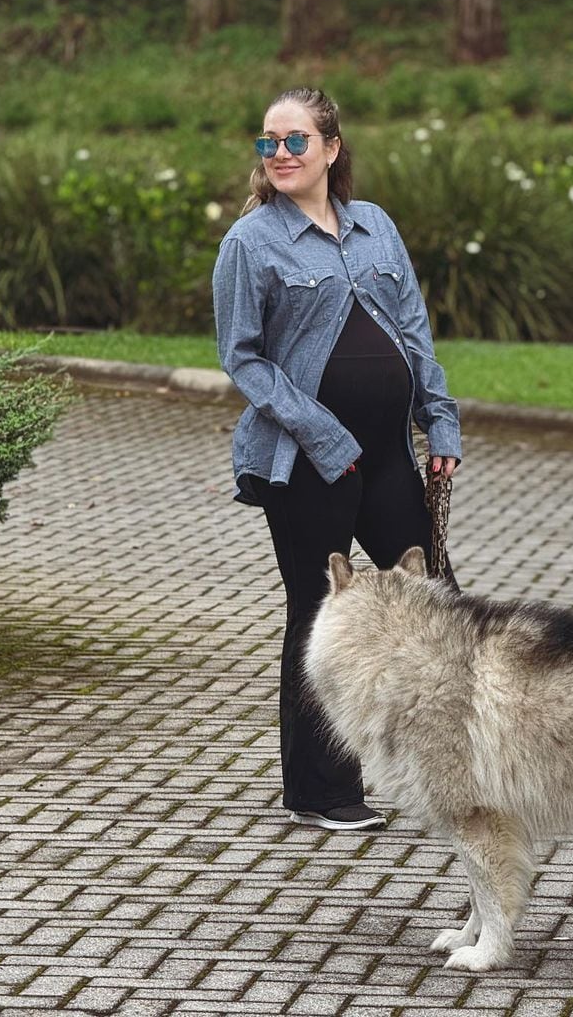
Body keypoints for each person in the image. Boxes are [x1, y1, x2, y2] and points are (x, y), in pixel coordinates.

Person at [212, 87, 462, 832]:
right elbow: (243, 359)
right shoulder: (251, 243)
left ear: (331, 146)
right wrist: (321, 434)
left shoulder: (375, 228)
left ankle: (455, 767)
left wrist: (439, 425)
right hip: (306, 463)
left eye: (294, 141)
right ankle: (321, 793)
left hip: (388, 458)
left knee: (437, 605)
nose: (280, 154)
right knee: (320, 618)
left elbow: (414, 331)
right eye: (268, 143)